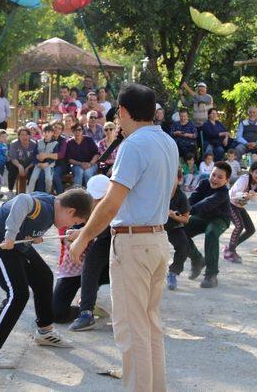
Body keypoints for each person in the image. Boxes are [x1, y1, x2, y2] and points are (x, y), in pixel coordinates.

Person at [68, 83, 178, 392]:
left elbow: (113, 201)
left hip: (134, 243)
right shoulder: (167, 141)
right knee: (150, 326)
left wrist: (83, 238)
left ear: (124, 112)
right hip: (156, 239)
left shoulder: (133, 144)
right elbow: (168, 191)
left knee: (132, 331)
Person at [0, 188, 94, 369]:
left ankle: (45, 331)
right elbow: (22, 200)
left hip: (17, 246)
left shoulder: (54, 207)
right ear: (70, 211)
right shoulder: (45, 208)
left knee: (44, 277)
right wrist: (11, 234)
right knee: (18, 294)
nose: (69, 226)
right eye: (74, 221)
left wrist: (33, 235)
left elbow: (28, 219)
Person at [52, 175, 111, 326]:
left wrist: (84, 234)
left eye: (101, 198)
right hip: (75, 265)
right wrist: (73, 238)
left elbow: (106, 232)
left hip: (106, 267)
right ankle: (83, 308)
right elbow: (66, 237)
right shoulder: (81, 206)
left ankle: (87, 309)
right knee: (56, 313)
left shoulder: (117, 208)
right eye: (94, 198)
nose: (96, 203)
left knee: (94, 257)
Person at [184, 161, 232, 288]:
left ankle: (211, 275)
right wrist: (180, 210)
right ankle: (197, 259)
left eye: (220, 177)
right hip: (202, 217)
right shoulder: (204, 183)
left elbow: (206, 203)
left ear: (227, 180)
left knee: (211, 233)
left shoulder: (223, 193)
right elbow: (192, 199)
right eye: (213, 174)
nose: (215, 179)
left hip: (220, 219)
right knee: (179, 230)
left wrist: (187, 211)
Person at [223, 161, 257, 263]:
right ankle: (231, 251)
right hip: (229, 204)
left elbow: (255, 199)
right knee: (239, 226)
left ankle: (230, 248)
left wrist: (253, 195)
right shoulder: (244, 179)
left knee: (250, 229)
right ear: (251, 171)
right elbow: (236, 194)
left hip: (238, 206)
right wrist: (245, 194)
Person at [165, 169, 191, 291]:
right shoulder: (157, 190)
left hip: (173, 227)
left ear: (179, 180)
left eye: (173, 178)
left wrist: (175, 216)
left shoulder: (181, 196)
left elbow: (186, 219)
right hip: (156, 227)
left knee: (184, 246)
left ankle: (173, 272)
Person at [27, 124, 58, 194]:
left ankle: (48, 193)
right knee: (33, 178)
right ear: (42, 132)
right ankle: (29, 194)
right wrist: (37, 163)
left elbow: (55, 157)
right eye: (45, 132)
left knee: (48, 179)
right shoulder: (39, 142)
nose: (46, 134)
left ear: (52, 133)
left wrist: (47, 163)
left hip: (49, 165)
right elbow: (34, 154)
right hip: (38, 164)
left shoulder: (55, 143)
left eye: (48, 132)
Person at [6, 127, 37, 193]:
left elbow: (35, 159)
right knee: (11, 169)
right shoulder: (14, 144)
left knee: (35, 170)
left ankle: (31, 191)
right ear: (18, 136)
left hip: (29, 164)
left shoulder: (34, 144)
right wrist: (19, 166)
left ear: (29, 135)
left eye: (26, 134)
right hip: (16, 163)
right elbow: (13, 158)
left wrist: (28, 168)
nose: (24, 137)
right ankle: (10, 190)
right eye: (22, 135)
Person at [51, 121, 68, 194]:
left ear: (61, 131)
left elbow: (61, 155)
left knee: (54, 174)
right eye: (55, 127)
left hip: (61, 164)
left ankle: (60, 195)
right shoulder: (47, 138)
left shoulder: (63, 140)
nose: (56, 130)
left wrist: (47, 155)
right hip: (48, 164)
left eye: (59, 128)